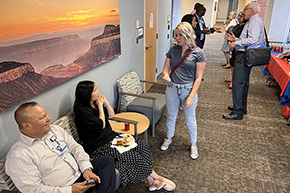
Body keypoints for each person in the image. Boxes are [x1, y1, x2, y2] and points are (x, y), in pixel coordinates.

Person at [73, 81, 176, 192]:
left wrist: (106, 103)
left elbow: (112, 116)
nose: (98, 92)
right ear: (87, 94)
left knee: (141, 145)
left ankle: (152, 181)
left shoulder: (94, 102)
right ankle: (157, 178)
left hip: (112, 137)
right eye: (94, 90)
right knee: (133, 157)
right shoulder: (81, 111)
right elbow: (101, 125)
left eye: (96, 89)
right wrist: (100, 106)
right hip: (99, 146)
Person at [5, 102, 116, 193]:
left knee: (106, 161)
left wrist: (86, 169)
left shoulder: (54, 130)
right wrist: (70, 190)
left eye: (46, 114)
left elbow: (75, 148)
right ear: (27, 125)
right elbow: (33, 189)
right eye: (42, 117)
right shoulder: (18, 156)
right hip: (63, 189)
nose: (49, 118)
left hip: (80, 174)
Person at [160, 22, 206, 160]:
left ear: (187, 35)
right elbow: (165, 68)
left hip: (188, 89)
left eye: (180, 35)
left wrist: (191, 96)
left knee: (190, 119)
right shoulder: (173, 50)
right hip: (172, 88)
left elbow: (199, 78)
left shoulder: (198, 52)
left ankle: (193, 144)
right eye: (176, 35)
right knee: (171, 116)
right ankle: (169, 138)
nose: (177, 38)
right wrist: (166, 75)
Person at [223, 2, 265, 120]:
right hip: (245, 53)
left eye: (245, 9)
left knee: (238, 83)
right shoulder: (253, 21)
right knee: (243, 82)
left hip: (244, 54)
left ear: (251, 10)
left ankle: (237, 112)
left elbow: (253, 39)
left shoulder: (255, 21)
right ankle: (241, 107)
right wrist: (235, 39)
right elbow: (248, 38)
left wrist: (236, 43)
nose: (243, 11)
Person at [225, 12, 248, 89]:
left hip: (240, 49)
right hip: (233, 48)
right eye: (239, 16)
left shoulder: (246, 28)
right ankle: (232, 78)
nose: (239, 17)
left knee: (237, 66)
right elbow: (231, 36)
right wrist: (230, 44)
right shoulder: (236, 26)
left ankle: (234, 81)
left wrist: (234, 42)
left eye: (241, 16)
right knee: (232, 64)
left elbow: (243, 40)